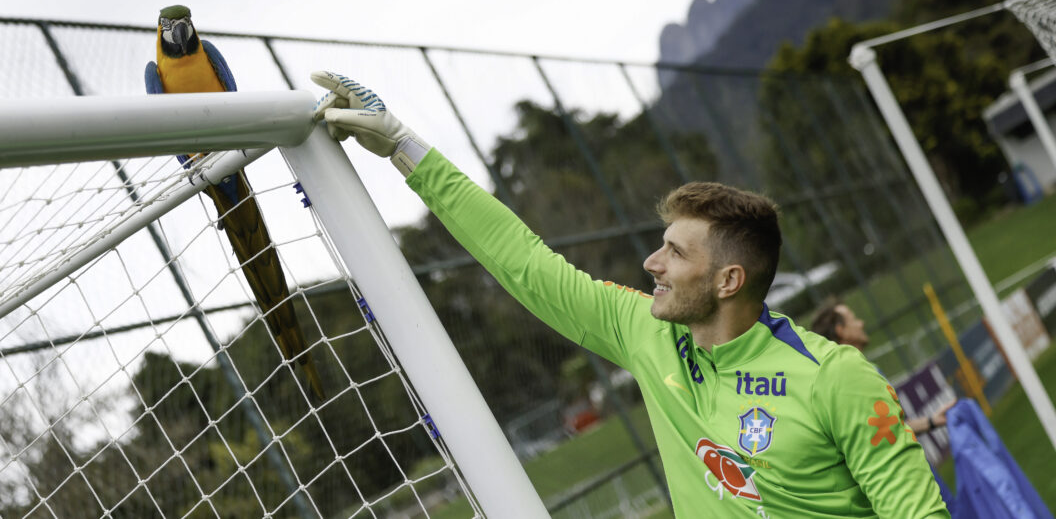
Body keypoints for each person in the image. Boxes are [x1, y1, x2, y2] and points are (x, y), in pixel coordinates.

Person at [310, 72, 950, 518]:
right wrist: (404, 147)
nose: (652, 262)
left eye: (675, 252)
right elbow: (527, 264)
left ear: (729, 281)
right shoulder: (648, 332)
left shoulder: (836, 377)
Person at [811, 301, 955, 436]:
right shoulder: (849, 381)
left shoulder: (869, 369)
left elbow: (894, 427)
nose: (861, 323)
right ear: (841, 331)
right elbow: (880, 434)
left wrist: (931, 421)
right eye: (853, 319)